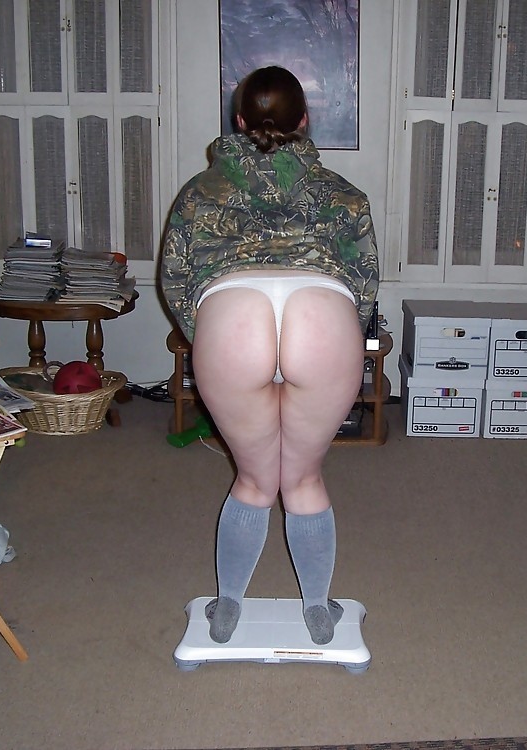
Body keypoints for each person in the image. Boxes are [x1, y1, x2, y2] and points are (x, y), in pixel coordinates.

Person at [160, 66, 378, 645]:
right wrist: (345, 337)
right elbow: (365, 285)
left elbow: (175, 282)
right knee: (302, 478)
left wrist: (206, 336)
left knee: (255, 480)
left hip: (232, 314)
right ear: (304, 120)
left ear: (238, 121)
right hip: (320, 312)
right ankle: (318, 613)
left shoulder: (197, 193)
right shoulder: (345, 195)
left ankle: (227, 609)